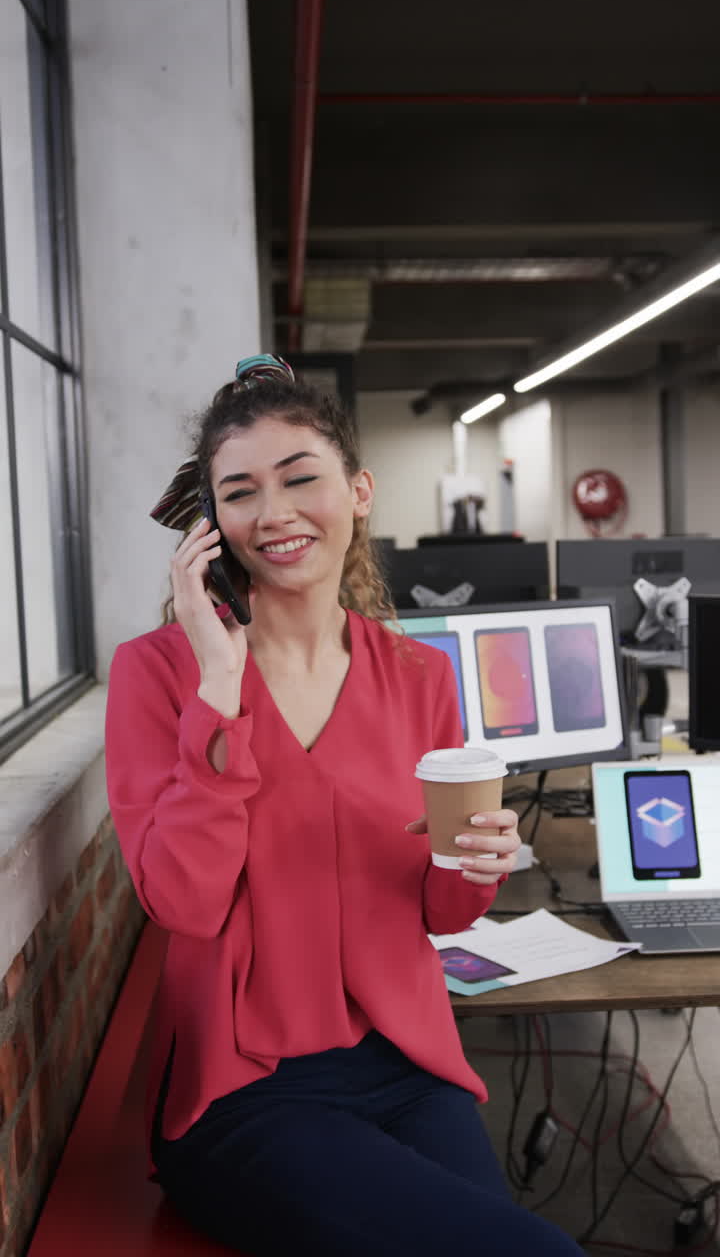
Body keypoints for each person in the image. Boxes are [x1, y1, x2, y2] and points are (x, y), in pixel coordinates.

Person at [105, 354, 584, 1256]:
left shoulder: (419, 676)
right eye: (240, 491)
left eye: (300, 478)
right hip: (244, 1088)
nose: (274, 513)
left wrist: (474, 865)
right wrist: (220, 681)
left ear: (358, 491)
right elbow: (185, 902)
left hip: (406, 1062)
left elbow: (442, 911)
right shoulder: (157, 674)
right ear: (210, 523)